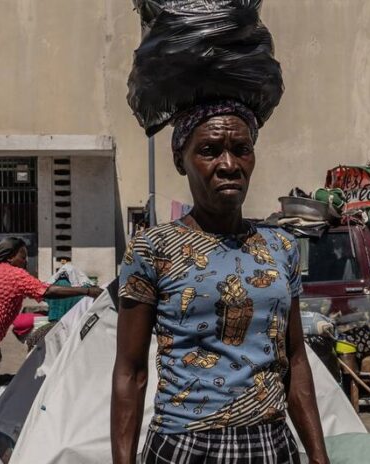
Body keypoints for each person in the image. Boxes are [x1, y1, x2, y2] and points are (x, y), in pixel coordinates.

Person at [112, 102, 330, 463]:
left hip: (271, 445)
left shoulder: (281, 246)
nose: (229, 165)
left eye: (241, 150)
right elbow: (130, 372)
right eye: (210, 151)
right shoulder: (152, 249)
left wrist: (319, 457)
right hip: (184, 445)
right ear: (181, 161)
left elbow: (295, 359)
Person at [0, 237, 102, 424]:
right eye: (22, 256)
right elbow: (45, 291)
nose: (26, 260)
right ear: (10, 257)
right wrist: (86, 291)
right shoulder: (13, 274)